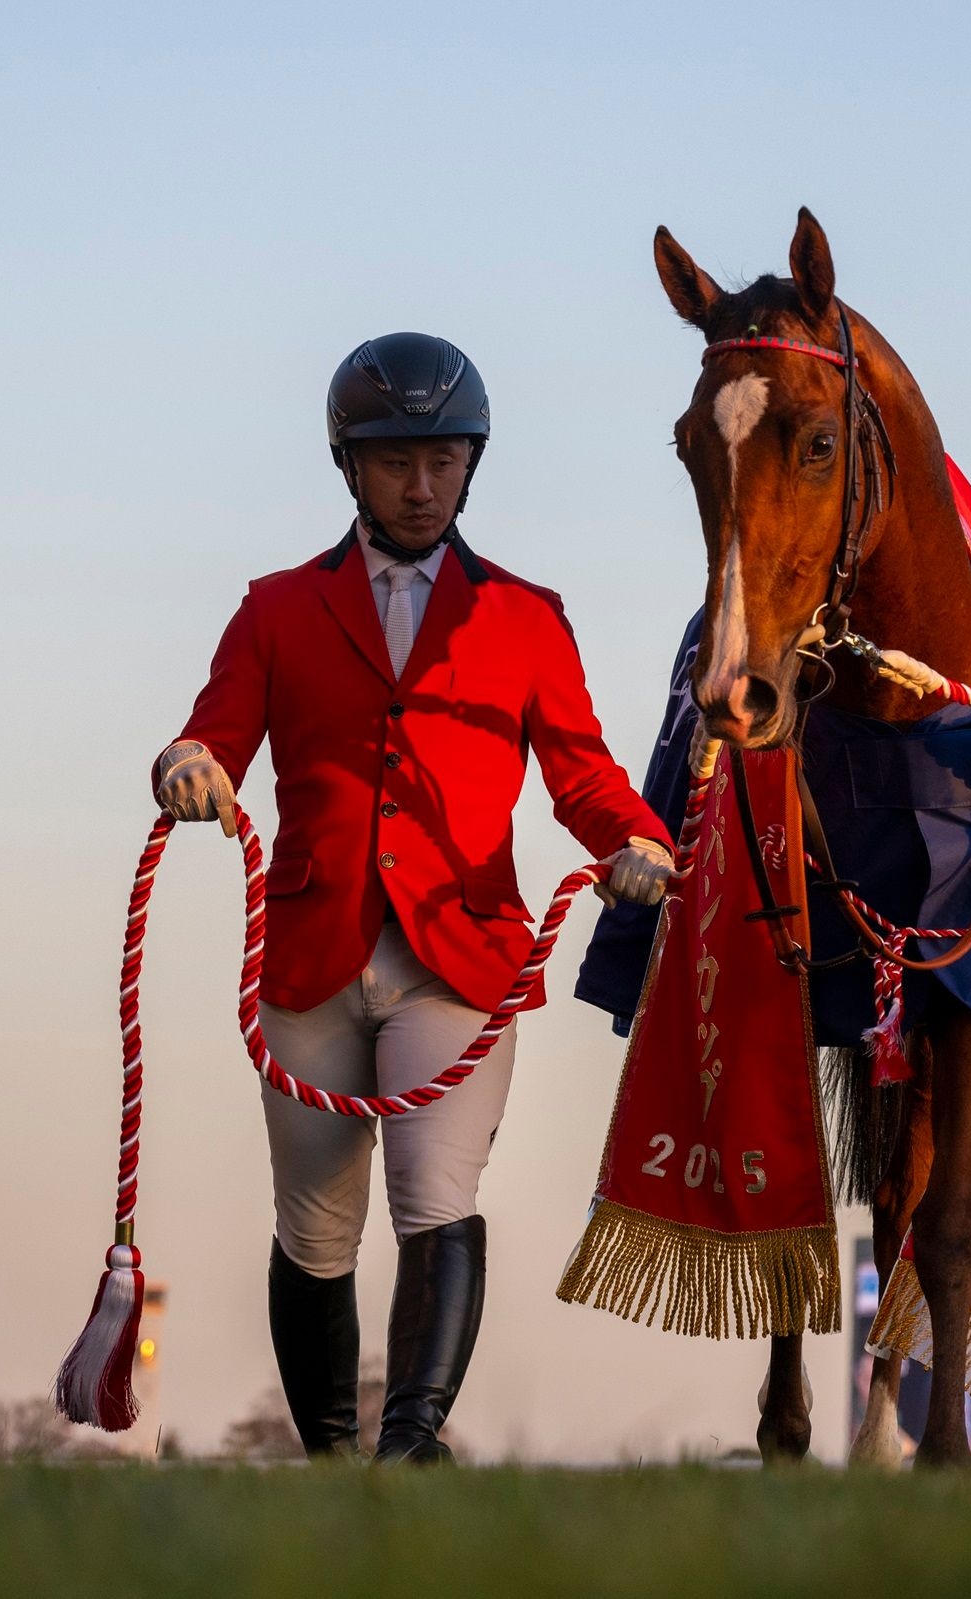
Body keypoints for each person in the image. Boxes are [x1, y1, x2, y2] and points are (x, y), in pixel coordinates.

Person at [153, 333, 674, 1462]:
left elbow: (580, 770)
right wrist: (188, 763)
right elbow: (217, 730)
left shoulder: (526, 616)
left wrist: (635, 839)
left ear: (472, 463)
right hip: (311, 954)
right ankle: (336, 1459)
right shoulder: (277, 607)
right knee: (316, 1226)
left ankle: (410, 1446)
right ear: (350, 466)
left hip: (460, 953)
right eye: (397, 462)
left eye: (443, 458)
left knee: (435, 1189)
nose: (422, 484)